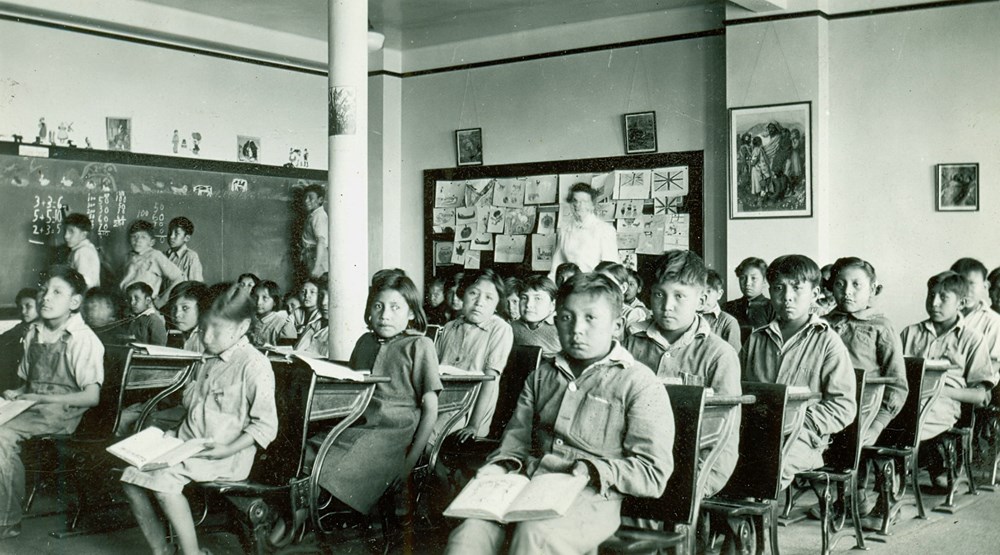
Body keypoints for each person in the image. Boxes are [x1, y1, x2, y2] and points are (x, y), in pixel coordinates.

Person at [444, 273, 674, 554]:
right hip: (527, 487)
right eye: (566, 318)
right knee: (468, 535)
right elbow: (515, 445)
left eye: (591, 318)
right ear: (556, 320)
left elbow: (653, 471)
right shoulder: (541, 377)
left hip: (591, 497)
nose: (577, 329)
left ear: (616, 326)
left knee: (535, 537)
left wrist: (593, 469)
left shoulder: (638, 382)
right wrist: (500, 465)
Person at [121, 283, 277, 555]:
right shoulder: (208, 360)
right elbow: (194, 408)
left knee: (163, 482)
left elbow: (265, 425)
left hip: (226, 455)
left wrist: (227, 449)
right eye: (203, 329)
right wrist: (170, 435)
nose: (206, 337)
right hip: (189, 445)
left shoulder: (254, 364)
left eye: (216, 330)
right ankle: (162, 550)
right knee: (130, 476)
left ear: (241, 328)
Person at [314, 274, 442, 515]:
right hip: (354, 424)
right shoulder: (365, 341)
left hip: (392, 432)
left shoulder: (419, 346)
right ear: (369, 311)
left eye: (396, 308)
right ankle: (297, 523)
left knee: (332, 465)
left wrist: (409, 464)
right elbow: (350, 388)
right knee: (310, 453)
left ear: (411, 313)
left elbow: (431, 409)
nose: (385, 315)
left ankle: (308, 520)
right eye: (378, 306)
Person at [623, 250, 741, 496]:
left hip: (691, 471)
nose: (667, 306)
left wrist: (699, 486)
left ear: (700, 300)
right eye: (659, 295)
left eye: (679, 296)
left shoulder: (720, 355)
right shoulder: (628, 344)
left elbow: (724, 437)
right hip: (633, 465)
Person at [0, 266, 104, 539]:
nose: (46, 297)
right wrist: (17, 391)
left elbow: (91, 397)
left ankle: (7, 520)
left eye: (57, 292)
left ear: (74, 303)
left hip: (62, 413)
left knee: (1, 436)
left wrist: (39, 397)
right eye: (44, 290)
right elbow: (28, 382)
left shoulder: (82, 339)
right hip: (29, 407)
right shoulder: (33, 332)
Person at [741, 254, 856, 489]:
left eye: (796, 288)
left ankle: (751, 518)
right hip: (756, 430)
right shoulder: (756, 339)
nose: (787, 297)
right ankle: (735, 520)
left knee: (772, 464)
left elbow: (843, 405)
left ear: (814, 294)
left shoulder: (828, 342)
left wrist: (801, 423)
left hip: (803, 437)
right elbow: (737, 388)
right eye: (778, 288)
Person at [900, 272, 994, 446]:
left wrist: (938, 390)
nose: (934, 303)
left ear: (961, 303)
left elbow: (980, 394)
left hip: (942, 406)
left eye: (943, 297)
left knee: (908, 423)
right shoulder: (910, 333)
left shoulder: (972, 339)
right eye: (931, 295)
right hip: (907, 398)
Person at [824, 257, 907, 446]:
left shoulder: (881, 327)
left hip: (864, 415)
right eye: (840, 284)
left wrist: (877, 425)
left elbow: (897, 383)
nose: (847, 292)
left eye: (856, 285)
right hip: (826, 407)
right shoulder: (823, 325)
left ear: (872, 289)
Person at [435, 270, 513, 442]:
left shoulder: (500, 329)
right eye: (473, 293)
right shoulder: (449, 327)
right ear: (462, 294)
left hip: (468, 410)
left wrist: (474, 424)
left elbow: (491, 380)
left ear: (497, 304)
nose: (479, 303)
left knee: (426, 435)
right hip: (439, 402)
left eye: (488, 298)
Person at [547, 183, 618, 281]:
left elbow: (611, 267)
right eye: (575, 201)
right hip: (570, 285)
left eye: (584, 201)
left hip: (595, 285)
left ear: (593, 205)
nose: (578, 205)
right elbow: (557, 265)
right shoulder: (565, 230)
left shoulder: (605, 230)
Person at [120, 220, 184, 307]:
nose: (138, 240)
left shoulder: (155, 255)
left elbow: (179, 278)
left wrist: (162, 301)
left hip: (146, 306)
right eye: (134, 236)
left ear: (151, 242)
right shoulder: (128, 257)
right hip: (128, 304)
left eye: (143, 237)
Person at [950, 258, 1000, 365]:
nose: (965, 290)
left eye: (971, 284)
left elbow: (993, 365)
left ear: (985, 286)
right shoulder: (945, 314)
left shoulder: (994, 322)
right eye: (959, 283)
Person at [723, 256, 775, 342]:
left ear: (765, 281)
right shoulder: (727, 307)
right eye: (743, 278)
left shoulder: (773, 307)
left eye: (753, 278)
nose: (747, 283)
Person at [511, 275, 561, 359]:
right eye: (524, 298)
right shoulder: (511, 327)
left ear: (553, 304)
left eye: (538, 298)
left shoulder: (561, 328)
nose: (528, 304)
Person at [0, 288, 39, 392]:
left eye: (28, 306)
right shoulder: (19, 328)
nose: (23, 311)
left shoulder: (42, 330)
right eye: (20, 307)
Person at [700, 269, 741, 351]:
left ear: (719, 294)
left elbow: (732, 357)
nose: (703, 296)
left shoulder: (728, 322)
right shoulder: (687, 317)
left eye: (709, 291)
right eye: (700, 291)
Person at [248, 280, 297, 347]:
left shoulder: (284, 325)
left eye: (265, 298)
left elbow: (287, 353)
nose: (258, 302)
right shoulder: (247, 321)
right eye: (255, 297)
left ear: (275, 301)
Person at [166, 281, 209, 352]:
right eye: (174, 308)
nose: (177, 314)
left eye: (185, 308)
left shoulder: (202, 339)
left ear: (201, 308)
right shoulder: (184, 335)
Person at [63, 213, 101, 289]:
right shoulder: (82, 249)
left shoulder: (82, 252)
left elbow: (83, 282)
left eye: (71, 232)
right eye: (65, 231)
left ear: (84, 234)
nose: (66, 236)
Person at [300, 184, 329, 280]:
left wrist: (316, 267)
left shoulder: (319, 216)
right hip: (311, 256)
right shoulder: (313, 215)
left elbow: (321, 241)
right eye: (305, 197)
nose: (306, 200)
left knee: (317, 285)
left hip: (316, 257)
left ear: (320, 200)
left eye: (310, 198)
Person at [126, 282, 167, 346]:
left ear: (148, 301)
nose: (132, 302)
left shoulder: (153, 321)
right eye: (129, 299)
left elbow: (159, 347)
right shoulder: (131, 318)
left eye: (136, 299)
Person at [165, 217, 203, 282]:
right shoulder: (164, 255)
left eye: (176, 233)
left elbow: (196, 285)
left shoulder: (191, 257)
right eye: (170, 232)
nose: (171, 236)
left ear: (187, 238)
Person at [295, 284, 329, 356]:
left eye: (331, 297)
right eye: (320, 296)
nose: (323, 303)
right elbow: (297, 351)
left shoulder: (342, 333)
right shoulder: (314, 324)